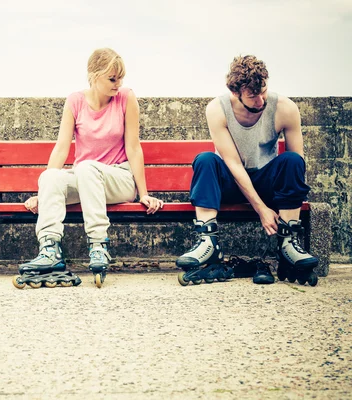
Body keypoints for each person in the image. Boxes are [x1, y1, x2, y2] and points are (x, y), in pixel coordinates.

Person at [19, 48, 163, 285]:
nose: (118, 84)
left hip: (119, 179)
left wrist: (144, 194)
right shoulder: (75, 101)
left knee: (86, 168)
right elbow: (61, 147)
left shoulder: (126, 98)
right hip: (86, 179)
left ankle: (98, 244)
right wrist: (41, 195)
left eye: (121, 78)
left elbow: (134, 147)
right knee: (50, 178)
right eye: (112, 78)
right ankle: (49, 250)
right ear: (94, 76)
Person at [175, 55, 318, 285]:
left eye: (263, 91)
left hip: (266, 182)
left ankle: (288, 243)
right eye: (252, 96)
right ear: (235, 93)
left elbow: (297, 167)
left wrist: (281, 212)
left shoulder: (285, 108)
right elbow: (233, 164)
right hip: (231, 182)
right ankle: (207, 242)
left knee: (292, 161)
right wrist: (261, 209)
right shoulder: (217, 109)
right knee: (206, 160)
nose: (261, 101)